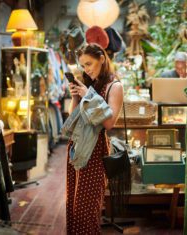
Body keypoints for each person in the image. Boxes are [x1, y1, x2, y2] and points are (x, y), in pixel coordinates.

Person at [65, 43, 123, 234]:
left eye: (89, 63)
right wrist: (75, 97)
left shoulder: (114, 86)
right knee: (73, 205)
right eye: (83, 66)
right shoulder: (88, 84)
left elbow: (109, 123)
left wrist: (87, 95)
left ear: (102, 59)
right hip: (76, 147)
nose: (86, 69)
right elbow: (72, 119)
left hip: (95, 150)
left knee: (87, 209)